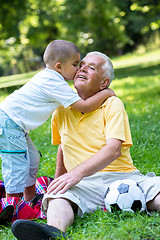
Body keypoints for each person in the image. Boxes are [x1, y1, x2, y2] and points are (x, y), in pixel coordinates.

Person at [11, 51, 160, 240]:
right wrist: (58, 182)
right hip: (84, 185)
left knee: (155, 189)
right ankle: (53, 232)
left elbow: (113, 149)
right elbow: (63, 147)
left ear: (104, 83)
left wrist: (75, 173)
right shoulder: (62, 108)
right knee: (57, 199)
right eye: (81, 65)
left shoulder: (112, 104)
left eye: (92, 67)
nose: (82, 68)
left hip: (122, 176)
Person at [0, 41, 115, 202]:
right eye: (75, 64)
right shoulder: (54, 82)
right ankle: (10, 206)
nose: (78, 69)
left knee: (33, 160)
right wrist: (107, 92)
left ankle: (29, 199)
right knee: (17, 165)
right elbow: (84, 106)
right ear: (59, 66)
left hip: (14, 125)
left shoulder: (49, 77)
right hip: (8, 123)